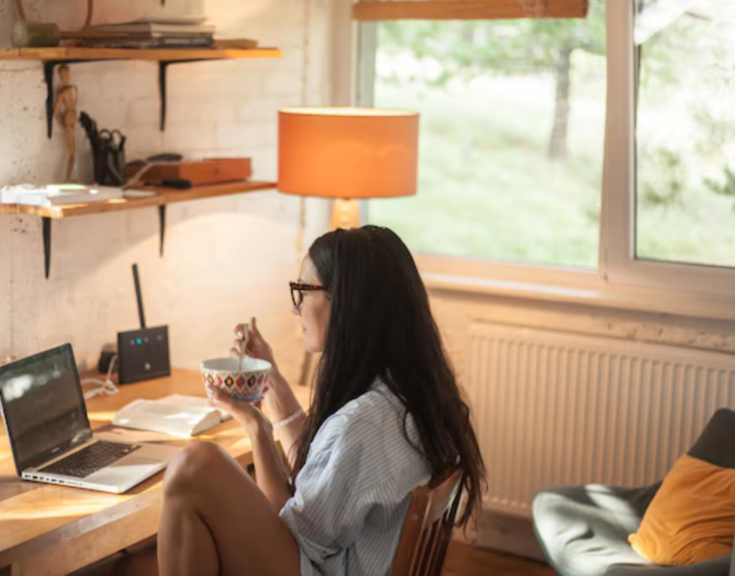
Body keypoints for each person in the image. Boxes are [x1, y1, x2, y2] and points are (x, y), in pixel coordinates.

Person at [150, 225, 486, 576]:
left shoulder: (362, 424)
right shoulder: (407, 396)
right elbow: (321, 478)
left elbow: (287, 528)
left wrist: (256, 427)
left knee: (194, 466)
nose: (296, 309)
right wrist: (272, 382)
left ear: (344, 301)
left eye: (302, 291)